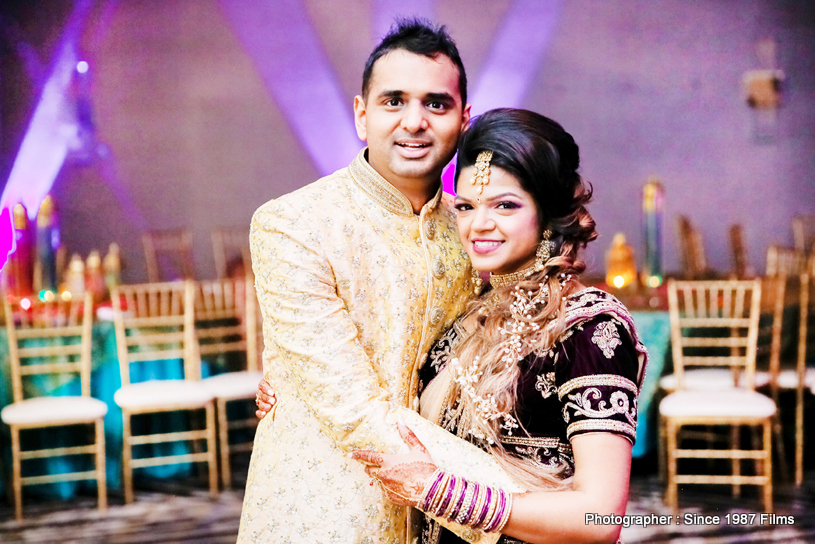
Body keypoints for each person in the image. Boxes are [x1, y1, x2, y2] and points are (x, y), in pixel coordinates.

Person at [258, 109, 648, 544]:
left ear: (548, 212)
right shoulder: (465, 317)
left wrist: (442, 493)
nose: (479, 225)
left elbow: (600, 517)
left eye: (505, 205)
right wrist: (290, 391)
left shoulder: (589, 327)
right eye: (465, 206)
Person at [239, 20, 524, 544]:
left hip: (435, 517)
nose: (414, 121)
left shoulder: (472, 231)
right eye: (394, 101)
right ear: (361, 115)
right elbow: (350, 407)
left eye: (436, 104)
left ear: (463, 120)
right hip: (320, 506)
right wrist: (526, 504)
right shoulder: (293, 222)